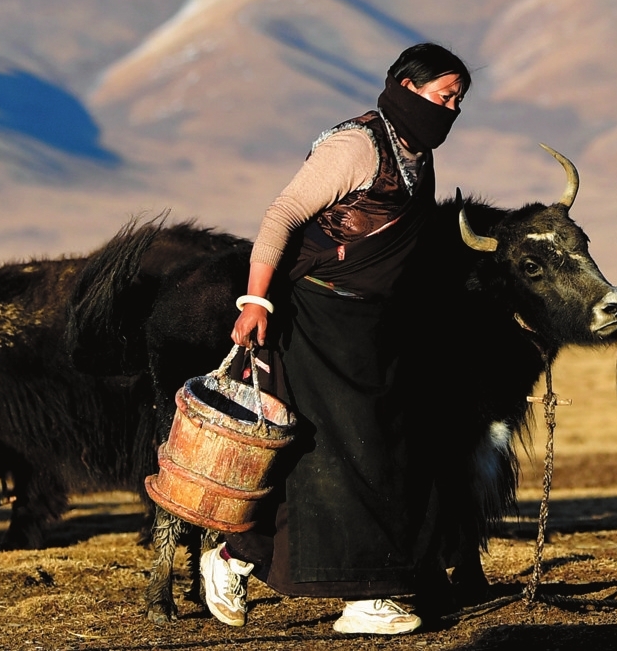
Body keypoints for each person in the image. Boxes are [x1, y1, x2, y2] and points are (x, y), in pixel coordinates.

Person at [200, 42, 470, 636]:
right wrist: (255, 300)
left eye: (459, 101)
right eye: (445, 96)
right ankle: (362, 599)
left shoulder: (416, 153)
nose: (452, 109)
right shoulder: (356, 146)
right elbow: (283, 214)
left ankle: (241, 555)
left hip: (375, 326)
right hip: (316, 318)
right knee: (344, 453)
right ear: (406, 87)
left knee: (385, 449)